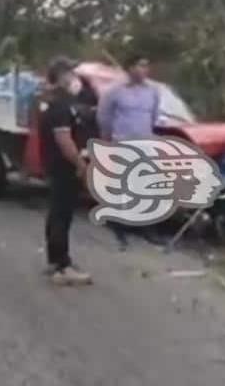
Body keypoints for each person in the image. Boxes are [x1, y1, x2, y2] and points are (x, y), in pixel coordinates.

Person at [96, 53, 161, 250]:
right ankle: (119, 227)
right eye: (140, 66)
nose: (144, 70)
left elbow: (154, 116)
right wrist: (109, 138)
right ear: (130, 68)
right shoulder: (115, 91)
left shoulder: (153, 91)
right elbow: (104, 117)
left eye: (146, 66)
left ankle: (146, 227)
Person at [40, 57, 93, 286]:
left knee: (56, 213)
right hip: (64, 165)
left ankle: (55, 261)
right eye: (70, 72)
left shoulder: (51, 101)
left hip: (55, 164)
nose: (74, 76)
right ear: (61, 75)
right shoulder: (61, 104)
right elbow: (64, 140)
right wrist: (80, 165)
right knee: (62, 215)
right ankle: (62, 266)